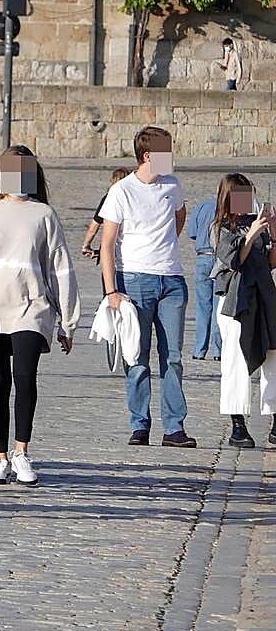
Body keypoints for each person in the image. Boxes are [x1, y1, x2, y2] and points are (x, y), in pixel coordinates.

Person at [0, 147, 80, 486]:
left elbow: (60, 267)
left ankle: (22, 452)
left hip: (31, 308)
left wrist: (68, 319)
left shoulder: (43, 214)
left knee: (26, 378)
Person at [98, 126, 196, 448]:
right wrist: (111, 291)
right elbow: (107, 244)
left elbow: (179, 218)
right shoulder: (122, 191)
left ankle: (174, 427)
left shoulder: (173, 185)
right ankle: (140, 424)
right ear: (148, 155)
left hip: (172, 280)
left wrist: (165, 245)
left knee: (173, 357)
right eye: (166, 152)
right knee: (137, 357)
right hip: (135, 281)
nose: (172, 158)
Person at [211, 173, 276, 449]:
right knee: (236, 361)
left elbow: (271, 262)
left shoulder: (255, 224)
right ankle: (238, 424)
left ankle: (274, 418)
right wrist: (251, 235)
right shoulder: (220, 228)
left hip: (264, 297)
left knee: (273, 357)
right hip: (234, 301)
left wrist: (274, 229)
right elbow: (235, 259)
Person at [187, 194, 223, 361]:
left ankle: (199, 350)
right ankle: (218, 351)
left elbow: (192, 233)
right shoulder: (228, 207)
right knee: (219, 307)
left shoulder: (200, 206)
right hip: (221, 258)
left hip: (202, 257)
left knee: (202, 307)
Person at [80, 168, 131, 259]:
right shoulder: (136, 196)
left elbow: (94, 226)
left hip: (111, 250)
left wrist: (86, 246)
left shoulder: (109, 198)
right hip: (132, 250)